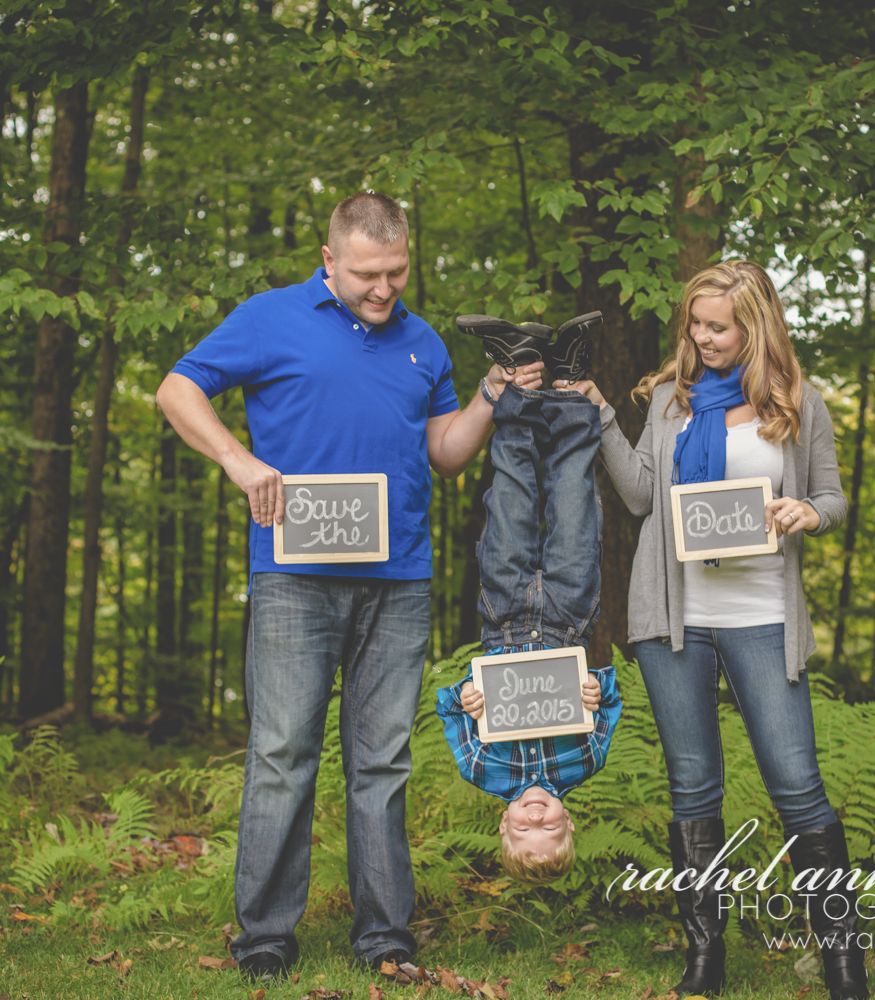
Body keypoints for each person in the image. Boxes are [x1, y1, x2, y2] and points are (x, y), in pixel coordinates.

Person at [155, 193, 542, 983]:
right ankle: (264, 933)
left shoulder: (423, 341)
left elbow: (445, 452)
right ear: (329, 260)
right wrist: (240, 461)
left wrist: (487, 398)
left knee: (383, 761)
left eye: (397, 272)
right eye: (367, 274)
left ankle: (384, 934)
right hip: (295, 580)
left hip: (397, 583)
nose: (384, 289)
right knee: (281, 753)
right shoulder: (269, 317)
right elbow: (176, 390)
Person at [560, 261, 867, 1000]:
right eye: (694, 325)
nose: (701, 338)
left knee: (797, 785)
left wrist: (809, 514)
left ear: (753, 327)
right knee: (694, 785)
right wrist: (604, 413)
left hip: (763, 617)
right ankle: (706, 960)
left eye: (717, 327)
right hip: (677, 620)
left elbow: (832, 497)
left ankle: (843, 964)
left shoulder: (798, 404)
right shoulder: (670, 399)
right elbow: (639, 496)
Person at [434, 311, 621, 886]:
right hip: (569, 614)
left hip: (505, 612)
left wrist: (466, 696)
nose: (535, 819)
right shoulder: (586, 761)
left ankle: (518, 372)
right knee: (572, 499)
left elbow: (447, 705)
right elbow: (609, 702)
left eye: (524, 830)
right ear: (571, 821)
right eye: (550, 829)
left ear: (503, 823)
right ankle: (565, 377)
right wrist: (596, 688)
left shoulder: (481, 768)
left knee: (510, 495)